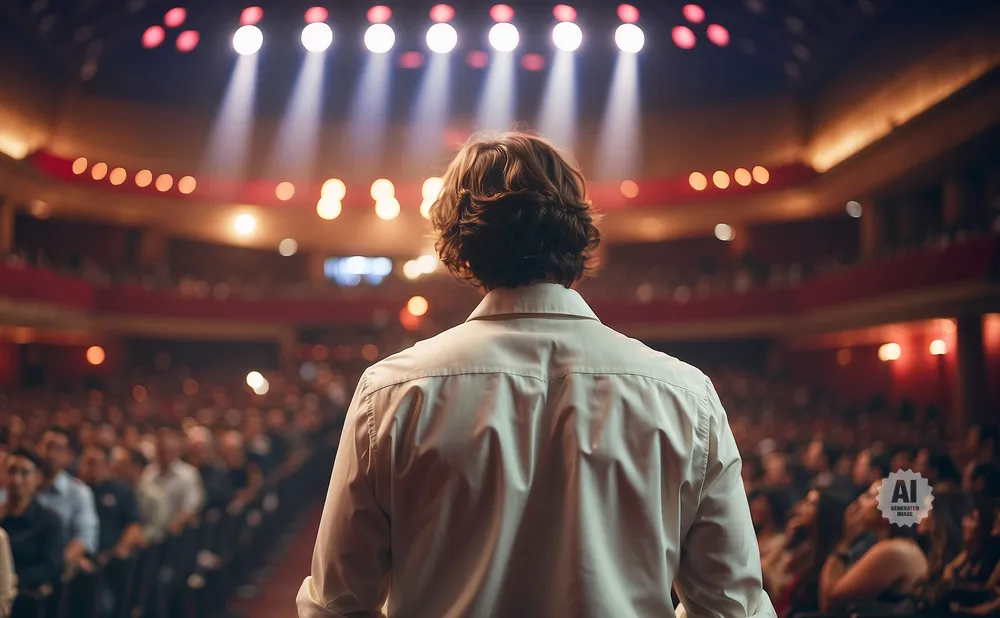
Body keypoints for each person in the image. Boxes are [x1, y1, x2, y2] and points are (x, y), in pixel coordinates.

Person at [298, 132, 775, 618]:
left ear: (460, 249)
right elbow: (732, 607)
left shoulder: (392, 394)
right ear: (578, 236)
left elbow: (337, 605)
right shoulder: (684, 395)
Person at [819, 480, 928, 611]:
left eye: (870, 496)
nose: (860, 500)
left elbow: (830, 600)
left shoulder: (891, 551)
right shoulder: (898, 545)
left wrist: (845, 543)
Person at [34, 426, 99, 573]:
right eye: (46, 446)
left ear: (68, 456)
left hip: (55, 570)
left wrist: (55, 566)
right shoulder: (22, 486)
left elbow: (85, 538)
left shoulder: (78, 493)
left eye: (58, 449)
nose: (49, 454)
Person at [0, 449, 64, 595]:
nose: (16, 480)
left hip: (23, 595)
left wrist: (16, 579)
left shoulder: (49, 521)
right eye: (12, 471)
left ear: (38, 478)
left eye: (24, 473)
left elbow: (51, 567)